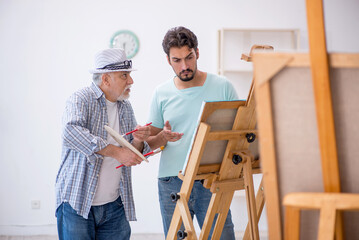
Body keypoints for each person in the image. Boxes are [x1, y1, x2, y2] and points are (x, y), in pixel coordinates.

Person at [147, 26, 237, 239]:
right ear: (168, 60)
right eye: (177, 60)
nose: (185, 66)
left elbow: (239, 132)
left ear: (197, 52)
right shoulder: (161, 93)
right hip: (172, 180)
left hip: (211, 179)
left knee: (222, 236)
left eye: (189, 57)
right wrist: (161, 138)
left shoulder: (223, 87)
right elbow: (150, 144)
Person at [55, 48, 151, 240]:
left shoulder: (125, 106)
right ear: (106, 79)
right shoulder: (80, 99)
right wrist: (116, 152)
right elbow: (70, 132)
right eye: (124, 75)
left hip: (115, 205)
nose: (130, 81)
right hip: (78, 203)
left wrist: (139, 141)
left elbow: (132, 151)